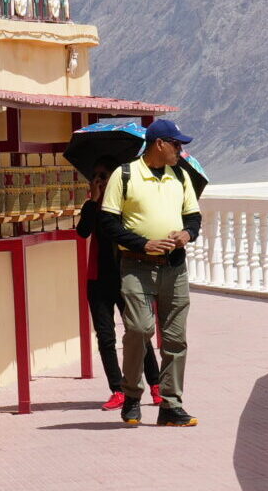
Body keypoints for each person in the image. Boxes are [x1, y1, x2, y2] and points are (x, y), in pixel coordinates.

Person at [97, 117, 201, 427]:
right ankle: (131, 396)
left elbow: (194, 218)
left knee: (175, 339)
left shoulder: (180, 176)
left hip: (175, 266)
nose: (180, 151)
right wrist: (145, 244)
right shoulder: (125, 175)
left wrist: (186, 235)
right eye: (176, 145)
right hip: (136, 265)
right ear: (159, 144)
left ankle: (171, 404)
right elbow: (109, 223)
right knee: (140, 330)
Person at [76, 159, 162, 410]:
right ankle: (118, 389)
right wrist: (93, 200)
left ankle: (156, 385)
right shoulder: (91, 207)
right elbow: (82, 232)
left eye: (105, 176)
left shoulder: (124, 206)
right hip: (98, 280)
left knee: (138, 332)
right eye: (97, 176)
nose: (101, 180)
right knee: (105, 337)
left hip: (127, 278)